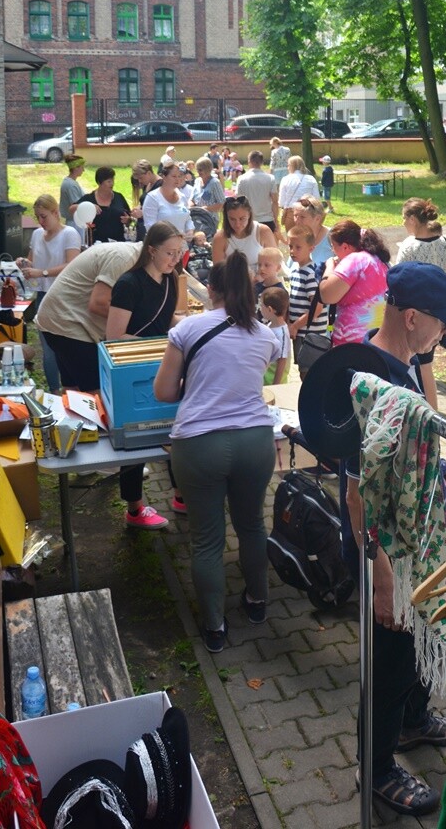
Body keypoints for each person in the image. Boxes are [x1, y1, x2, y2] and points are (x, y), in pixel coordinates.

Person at [340, 262, 446, 816]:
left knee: (422, 638)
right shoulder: (371, 383)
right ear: (413, 316)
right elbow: (355, 491)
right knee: (389, 663)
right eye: (441, 324)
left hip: (415, 540)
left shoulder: (410, 364)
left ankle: (415, 722)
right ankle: (373, 770)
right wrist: (380, 572)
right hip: (387, 553)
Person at [154, 253, 281, 652]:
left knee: (207, 540)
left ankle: (213, 628)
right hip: (255, 442)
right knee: (252, 527)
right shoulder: (265, 335)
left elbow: (164, 392)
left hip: (199, 445)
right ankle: (258, 604)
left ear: (210, 290)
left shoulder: (188, 328)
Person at [105, 222, 185, 530]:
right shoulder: (128, 284)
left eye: (179, 252)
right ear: (151, 250)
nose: (175, 259)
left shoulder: (172, 278)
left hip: (164, 364)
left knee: (174, 430)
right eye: (169, 253)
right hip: (131, 370)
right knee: (134, 438)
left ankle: (180, 495)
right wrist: (161, 343)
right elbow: (113, 336)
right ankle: (135, 509)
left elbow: (168, 319)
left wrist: (190, 325)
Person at [35, 239, 142, 396]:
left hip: (60, 319)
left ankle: (71, 419)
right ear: (152, 251)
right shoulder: (124, 258)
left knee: (73, 392)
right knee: (98, 396)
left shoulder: (130, 254)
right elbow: (99, 303)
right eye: (169, 253)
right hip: (69, 323)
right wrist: (134, 320)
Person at [396, 197, 446, 409]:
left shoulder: (408, 246)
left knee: (418, 365)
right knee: (426, 364)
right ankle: (429, 412)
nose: (403, 222)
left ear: (413, 219)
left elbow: (398, 280)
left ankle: (430, 415)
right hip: (441, 311)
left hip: (417, 313)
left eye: (404, 218)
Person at [16, 194, 81, 392]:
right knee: (48, 349)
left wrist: (41, 272)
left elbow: (72, 265)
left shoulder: (69, 233)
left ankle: (73, 388)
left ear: (55, 213)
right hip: (43, 295)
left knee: (67, 346)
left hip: (65, 296)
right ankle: (54, 390)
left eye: (44, 216)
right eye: (38, 217)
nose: (41, 222)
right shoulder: (37, 234)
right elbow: (33, 261)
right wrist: (25, 264)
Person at [319, 220, 390, 346]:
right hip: (378, 338)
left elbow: (327, 295)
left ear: (345, 246)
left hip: (352, 343)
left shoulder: (354, 260)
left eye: (333, 246)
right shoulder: (378, 259)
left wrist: (329, 266)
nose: (333, 251)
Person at [287, 225, 328, 379]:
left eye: (298, 247)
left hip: (311, 335)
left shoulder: (310, 274)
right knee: (302, 372)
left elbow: (317, 308)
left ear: (311, 248)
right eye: (290, 246)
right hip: (301, 333)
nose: (292, 251)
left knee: (309, 374)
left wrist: (296, 325)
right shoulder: (295, 271)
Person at [212, 197, 276, 274]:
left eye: (242, 219)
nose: (237, 224)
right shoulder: (220, 237)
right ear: (226, 217)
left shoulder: (263, 231)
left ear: (249, 215)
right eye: (232, 219)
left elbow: (274, 262)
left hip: (262, 280)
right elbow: (219, 271)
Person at [142, 160, 194, 242]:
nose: (177, 179)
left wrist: (190, 231)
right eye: (174, 176)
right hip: (161, 246)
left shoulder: (182, 196)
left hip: (182, 247)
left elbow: (188, 218)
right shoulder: (152, 198)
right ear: (164, 176)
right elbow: (150, 227)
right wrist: (172, 237)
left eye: (179, 176)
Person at [79, 166, 131, 243]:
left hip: (118, 243)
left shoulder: (119, 196)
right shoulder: (89, 198)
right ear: (100, 182)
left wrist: (128, 220)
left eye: (113, 180)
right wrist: (89, 206)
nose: (112, 183)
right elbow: (72, 208)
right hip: (96, 244)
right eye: (109, 181)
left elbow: (130, 216)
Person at [236, 150, 279, 233]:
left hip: (248, 219)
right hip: (267, 219)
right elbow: (275, 201)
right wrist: (276, 219)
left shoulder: (242, 179)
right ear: (262, 162)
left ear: (249, 162)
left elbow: (238, 199)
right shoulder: (270, 178)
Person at [291, 195, 334, 269]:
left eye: (302, 217)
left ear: (317, 218)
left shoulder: (333, 237)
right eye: (295, 215)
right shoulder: (297, 237)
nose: (297, 221)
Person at [278, 156, 319, 232]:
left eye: (288, 165)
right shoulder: (311, 179)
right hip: (307, 212)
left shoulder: (285, 179)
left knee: (292, 239)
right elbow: (316, 199)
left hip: (291, 212)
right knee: (307, 239)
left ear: (291, 166)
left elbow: (281, 202)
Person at [260, 286, 291, 385]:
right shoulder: (270, 325)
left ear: (270, 309)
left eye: (261, 306)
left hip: (273, 381)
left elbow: (282, 361)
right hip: (265, 379)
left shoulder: (281, 333)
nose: (260, 309)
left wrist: (276, 385)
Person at [130, 161, 162, 242]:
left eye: (141, 178)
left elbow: (162, 210)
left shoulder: (161, 185)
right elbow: (144, 203)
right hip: (142, 228)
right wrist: (138, 208)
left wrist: (142, 213)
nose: (139, 181)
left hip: (153, 230)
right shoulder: (148, 184)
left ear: (148, 173)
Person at [191, 157, 225, 223]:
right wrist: (191, 206)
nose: (198, 172)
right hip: (196, 218)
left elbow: (221, 203)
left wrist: (205, 209)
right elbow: (192, 199)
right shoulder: (197, 181)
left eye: (200, 170)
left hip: (210, 219)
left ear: (207, 169)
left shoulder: (215, 183)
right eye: (197, 169)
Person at [59, 155, 85, 230]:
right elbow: (76, 207)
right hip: (75, 224)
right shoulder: (71, 185)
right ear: (75, 168)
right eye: (82, 167)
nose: (83, 170)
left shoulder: (69, 182)